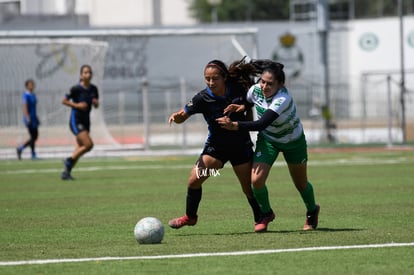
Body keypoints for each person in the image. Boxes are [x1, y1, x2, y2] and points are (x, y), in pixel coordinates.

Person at [216, 60, 320, 232]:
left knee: (301, 184)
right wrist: (243, 105)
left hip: (293, 141)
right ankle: (266, 213)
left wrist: (235, 125)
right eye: (262, 81)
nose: (264, 86)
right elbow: (250, 100)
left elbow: (261, 123)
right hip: (269, 140)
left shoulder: (282, 98)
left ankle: (312, 210)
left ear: (280, 84)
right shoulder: (255, 89)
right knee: (256, 181)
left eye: (270, 83)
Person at [168, 58, 264, 230]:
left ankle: (260, 218)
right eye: (207, 78)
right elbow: (184, 115)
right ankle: (190, 217)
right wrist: (177, 117)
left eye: (214, 78)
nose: (210, 82)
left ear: (224, 78)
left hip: (240, 147)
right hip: (216, 150)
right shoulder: (202, 98)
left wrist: (245, 122)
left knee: (247, 187)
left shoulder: (239, 90)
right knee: (194, 180)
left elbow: (249, 108)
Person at [61, 65, 99, 180]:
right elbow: (63, 100)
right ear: (81, 75)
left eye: (90, 72)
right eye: (85, 72)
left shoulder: (94, 89)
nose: (88, 74)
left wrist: (96, 103)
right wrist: (77, 105)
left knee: (80, 148)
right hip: (76, 120)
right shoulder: (75, 89)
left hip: (86, 121)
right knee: (89, 145)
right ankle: (69, 160)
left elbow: (96, 106)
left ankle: (66, 173)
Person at [16, 79, 40, 160]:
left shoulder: (33, 95)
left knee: (34, 136)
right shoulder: (26, 95)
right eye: (30, 84)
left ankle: (31, 153)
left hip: (34, 119)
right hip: (29, 119)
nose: (32, 86)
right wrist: (27, 117)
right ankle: (21, 148)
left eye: (33, 84)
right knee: (33, 137)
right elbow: (25, 106)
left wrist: (36, 118)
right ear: (27, 86)